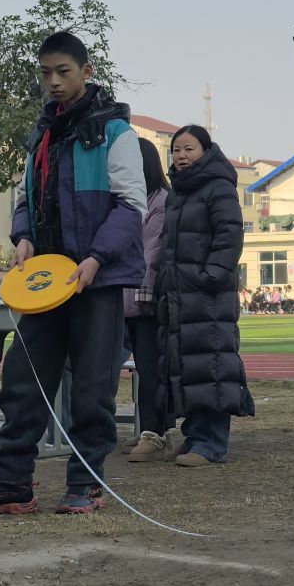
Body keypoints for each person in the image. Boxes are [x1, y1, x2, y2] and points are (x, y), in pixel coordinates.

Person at [0, 32, 145, 517]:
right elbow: (24, 201)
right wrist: (23, 237)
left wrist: (98, 258)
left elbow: (131, 206)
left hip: (95, 282)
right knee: (21, 381)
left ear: (87, 70)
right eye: (46, 74)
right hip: (43, 284)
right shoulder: (40, 136)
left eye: (64, 71)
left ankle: (86, 484)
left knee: (91, 388)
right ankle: (12, 484)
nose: (55, 82)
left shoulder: (116, 134)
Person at [156, 125, 254, 467]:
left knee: (211, 365)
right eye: (176, 150)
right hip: (179, 294)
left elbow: (229, 237)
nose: (181, 156)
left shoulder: (219, 188)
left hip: (207, 295)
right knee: (187, 366)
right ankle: (195, 435)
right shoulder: (178, 193)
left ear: (206, 151)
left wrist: (208, 277)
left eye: (189, 149)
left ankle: (212, 443)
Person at [123, 140, 176, 463]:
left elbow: (151, 252)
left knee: (150, 367)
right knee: (143, 368)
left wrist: (140, 293)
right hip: (127, 294)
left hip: (146, 296)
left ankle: (155, 433)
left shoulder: (160, 201)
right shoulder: (133, 199)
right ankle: (150, 429)